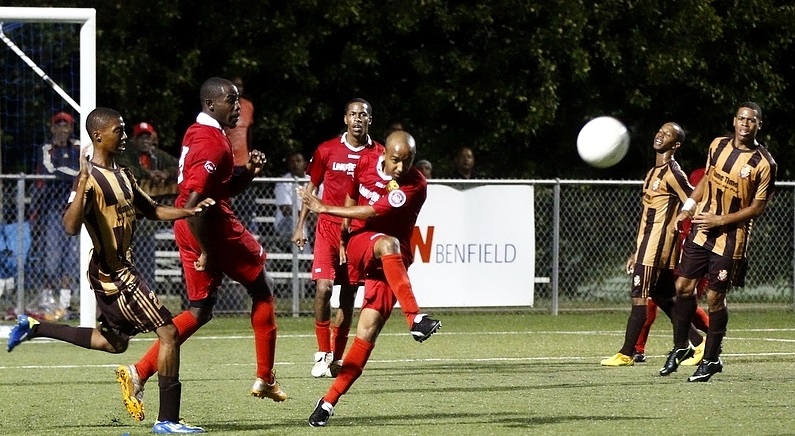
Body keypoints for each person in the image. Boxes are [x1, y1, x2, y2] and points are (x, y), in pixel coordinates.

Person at [7, 107, 212, 434]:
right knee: (169, 333)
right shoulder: (88, 179)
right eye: (119, 130)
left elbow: (153, 210)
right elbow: (70, 227)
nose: (125, 136)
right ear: (98, 136)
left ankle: (35, 326)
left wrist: (190, 211)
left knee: (114, 344)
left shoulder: (125, 174)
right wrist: (82, 184)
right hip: (114, 272)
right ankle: (167, 420)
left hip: (117, 270)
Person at [116, 77, 286, 421]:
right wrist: (206, 248)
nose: (237, 107)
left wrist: (248, 172)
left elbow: (219, 188)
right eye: (231, 101)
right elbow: (197, 201)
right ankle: (265, 377)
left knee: (200, 310)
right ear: (211, 104)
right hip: (209, 226)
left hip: (190, 224)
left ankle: (138, 372)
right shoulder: (211, 143)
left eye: (238, 100)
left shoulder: (199, 131)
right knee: (263, 288)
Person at [300, 130, 440, 427]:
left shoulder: (415, 185)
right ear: (385, 153)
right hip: (362, 242)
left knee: (367, 333)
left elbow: (372, 210)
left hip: (392, 261)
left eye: (407, 161)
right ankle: (415, 319)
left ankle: (327, 403)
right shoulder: (365, 162)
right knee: (386, 243)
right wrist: (342, 236)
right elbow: (352, 195)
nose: (400, 167)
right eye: (395, 160)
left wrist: (323, 207)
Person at [662, 101, 777, 382]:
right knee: (683, 287)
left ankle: (712, 358)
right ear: (734, 121)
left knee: (715, 297)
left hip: (731, 237)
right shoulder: (717, 145)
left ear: (759, 125)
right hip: (702, 229)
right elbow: (707, 180)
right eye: (741, 118)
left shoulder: (765, 163)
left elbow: (758, 208)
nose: (745, 124)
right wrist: (688, 208)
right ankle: (681, 346)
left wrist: (720, 220)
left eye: (751, 120)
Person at [600, 122, 707, 367]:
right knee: (665, 300)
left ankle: (627, 353)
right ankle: (699, 343)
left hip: (657, 248)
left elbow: (693, 200)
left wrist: (698, 227)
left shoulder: (673, 173)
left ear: (676, 144)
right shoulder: (652, 173)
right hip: (647, 246)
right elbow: (647, 216)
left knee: (639, 297)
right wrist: (636, 251)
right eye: (659, 131)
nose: (660, 135)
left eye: (667, 134)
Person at [292, 98, 385, 378]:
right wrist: (300, 226)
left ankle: (337, 357)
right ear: (345, 119)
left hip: (357, 232)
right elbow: (311, 188)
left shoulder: (379, 154)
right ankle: (323, 352)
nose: (358, 119)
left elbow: (385, 189)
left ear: (370, 120)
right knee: (323, 288)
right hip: (328, 228)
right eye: (353, 114)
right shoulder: (327, 150)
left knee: (348, 295)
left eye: (363, 115)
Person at [631, 167, 710, 364]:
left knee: (680, 297)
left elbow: (695, 209)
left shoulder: (688, 183)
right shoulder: (693, 180)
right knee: (660, 296)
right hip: (672, 246)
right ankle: (638, 348)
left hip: (689, 249)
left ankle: (710, 339)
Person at [29, 111, 81, 319]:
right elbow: (51, 171)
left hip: (74, 210)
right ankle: (47, 300)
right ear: (52, 128)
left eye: (66, 125)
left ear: (71, 128)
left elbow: (87, 167)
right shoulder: (46, 149)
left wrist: (72, 173)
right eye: (58, 125)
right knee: (51, 258)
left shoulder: (78, 147)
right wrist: (76, 174)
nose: (62, 129)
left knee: (71, 259)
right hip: (51, 210)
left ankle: (65, 303)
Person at [116, 121, 180, 286]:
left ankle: (147, 288)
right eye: (141, 137)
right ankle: (126, 288)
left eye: (148, 137)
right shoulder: (128, 152)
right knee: (127, 255)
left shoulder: (157, 155)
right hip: (127, 216)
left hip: (147, 220)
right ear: (134, 140)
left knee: (146, 254)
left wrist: (165, 173)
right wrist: (148, 174)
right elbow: (127, 168)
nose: (145, 141)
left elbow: (178, 165)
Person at [273, 151, 310, 252]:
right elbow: (286, 210)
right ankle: (304, 258)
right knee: (298, 223)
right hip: (286, 222)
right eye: (292, 162)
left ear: (305, 164)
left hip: (310, 220)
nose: (295, 164)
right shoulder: (283, 182)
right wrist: (306, 216)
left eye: (298, 161)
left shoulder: (312, 181)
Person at [224, 76, 255, 166]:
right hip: (226, 159)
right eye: (235, 85)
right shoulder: (222, 107)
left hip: (243, 159)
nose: (238, 88)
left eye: (240, 85)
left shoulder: (248, 106)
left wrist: (249, 153)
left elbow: (249, 131)